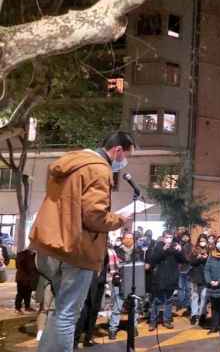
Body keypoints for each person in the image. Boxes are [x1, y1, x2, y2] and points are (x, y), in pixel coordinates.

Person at [29, 131, 133, 352]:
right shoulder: (99, 168)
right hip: (77, 249)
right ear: (118, 151)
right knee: (68, 315)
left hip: (51, 245)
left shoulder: (73, 162)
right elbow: (94, 216)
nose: (123, 163)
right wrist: (119, 220)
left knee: (58, 313)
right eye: (125, 157)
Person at [147, 231, 187, 331]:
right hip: (160, 278)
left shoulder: (175, 247)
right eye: (167, 237)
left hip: (171, 278)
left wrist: (180, 250)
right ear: (163, 238)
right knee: (157, 301)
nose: (169, 239)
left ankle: (167, 320)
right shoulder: (158, 246)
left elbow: (183, 260)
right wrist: (163, 250)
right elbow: (153, 260)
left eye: (170, 237)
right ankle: (153, 321)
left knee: (169, 301)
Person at [108, 231, 144, 339]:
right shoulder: (116, 251)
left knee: (135, 307)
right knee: (117, 307)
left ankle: (133, 327)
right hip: (120, 282)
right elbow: (112, 267)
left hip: (134, 282)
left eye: (131, 238)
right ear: (123, 239)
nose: (129, 240)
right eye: (127, 238)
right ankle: (113, 328)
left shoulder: (139, 251)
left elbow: (141, 265)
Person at [74, 255, 108, 348]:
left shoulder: (104, 250)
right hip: (88, 281)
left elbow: (105, 264)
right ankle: (75, 340)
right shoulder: (91, 246)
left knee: (94, 311)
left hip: (100, 282)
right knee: (84, 312)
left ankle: (88, 338)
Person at [190, 234, 210, 326]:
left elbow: (211, 263)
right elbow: (191, 262)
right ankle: (194, 315)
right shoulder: (194, 250)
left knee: (204, 296)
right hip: (195, 276)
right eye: (201, 240)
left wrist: (206, 258)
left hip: (205, 277)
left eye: (204, 241)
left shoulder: (210, 250)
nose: (202, 242)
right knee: (194, 296)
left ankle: (202, 314)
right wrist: (198, 258)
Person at [15, 248, 37, 313]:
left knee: (28, 293)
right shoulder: (22, 254)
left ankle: (27, 307)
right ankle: (17, 308)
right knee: (20, 293)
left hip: (29, 278)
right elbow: (19, 265)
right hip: (22, 278)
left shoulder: (34, 255)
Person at [177, 231, 193, 312]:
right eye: (184, 236)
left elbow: (188, 258)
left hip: (187, 269)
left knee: (187, 288)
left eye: (187, 236)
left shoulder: (190, 246)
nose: (185, 238)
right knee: (180, 288)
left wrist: (182, 250)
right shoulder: (178, 244)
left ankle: (187, 304)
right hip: (179, 269)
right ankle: (180, 303)